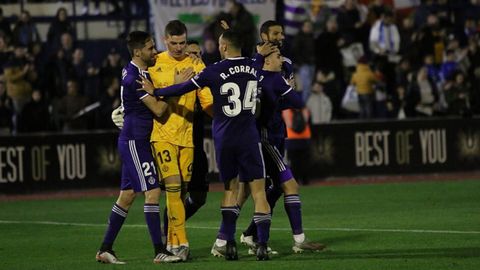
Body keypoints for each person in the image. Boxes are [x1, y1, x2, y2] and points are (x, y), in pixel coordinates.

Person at [139, 29, 276, 261]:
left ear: (223, 47)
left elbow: (183, 87)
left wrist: (157, 91)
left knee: (230, 189)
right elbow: (257, 58)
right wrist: (259, 53)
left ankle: (229, 243)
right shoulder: (255, 66)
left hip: (224, 138)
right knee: (259, 192)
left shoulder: (213, 70)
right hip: (249, 137)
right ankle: (262, 244)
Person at [236, 20, 326, 254]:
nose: (280, 37)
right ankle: (230, 239)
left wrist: (282, 93)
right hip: (261, 134)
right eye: (275, 33)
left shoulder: (283, 62)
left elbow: (287, 99)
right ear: (264, 34)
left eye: (282, 33)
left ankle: (249, 235)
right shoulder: (252, 63)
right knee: (256, 188)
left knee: (273, 188)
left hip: (277, 132)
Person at [95, 31, 181, 264]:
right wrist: (177, 86)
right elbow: (160, 111)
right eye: (150, 48)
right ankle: (159, 251)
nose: (154, 51)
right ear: (137, 52)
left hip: (134, 139)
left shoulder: (137, 72)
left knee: (127, 196)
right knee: (152, 192)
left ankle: (105, 249)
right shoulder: (135, 77)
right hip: (135, 142)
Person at [147, 20, 214, 261]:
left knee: (182, 191)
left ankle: (172, 242)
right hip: (163, 136)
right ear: (166, 41)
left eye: (182, 43)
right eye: (174, 43)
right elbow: (145, 95)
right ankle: (181, 243)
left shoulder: (196, 64)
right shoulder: (155, 63)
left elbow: (206, 102)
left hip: (187, 139)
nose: (179, 48)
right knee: (174, 188)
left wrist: (227, 116)